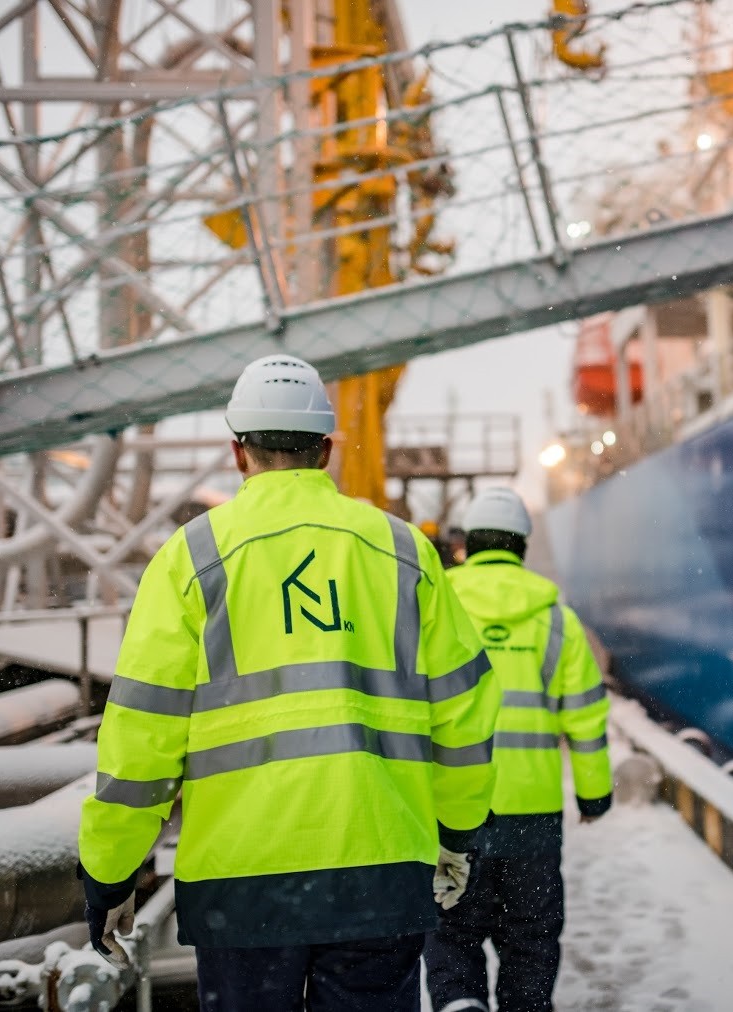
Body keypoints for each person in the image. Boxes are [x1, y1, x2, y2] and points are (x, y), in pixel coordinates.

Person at [77, 354, 500, 1012]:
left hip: (241, 884)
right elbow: (465, 711)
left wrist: (109, 871)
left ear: (237, 452)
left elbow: (142, 738)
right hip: (380, 872)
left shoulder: (191, 558)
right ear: (327, 450)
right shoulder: (402, 550)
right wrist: (459, 831)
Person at [423, 487, 613, 1012]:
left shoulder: (437, 605)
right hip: (532, 814)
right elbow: (586, 719)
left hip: (451, 811)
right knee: (530, 938)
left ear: (466, 543)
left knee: (452, 932)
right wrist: (595, 794)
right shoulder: (557, 619)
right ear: (522, 547)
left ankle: (461, 1005)